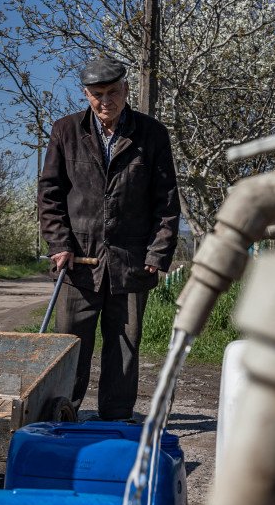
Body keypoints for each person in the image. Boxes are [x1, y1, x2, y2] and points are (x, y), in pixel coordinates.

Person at [37, 56, 180, 422]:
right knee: (69, 345)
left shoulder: (151, 134)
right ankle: (61, 416)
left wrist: (158, 251)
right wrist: (59, 244)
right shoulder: (65, 131)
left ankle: (116, 420)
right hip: (77, 261)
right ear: (86, 95)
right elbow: (50, 195)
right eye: (96, 94)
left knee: (124, 345)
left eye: (112, 92)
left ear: (126, 90)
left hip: (131, 260)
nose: (105, 101)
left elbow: (166, 201)